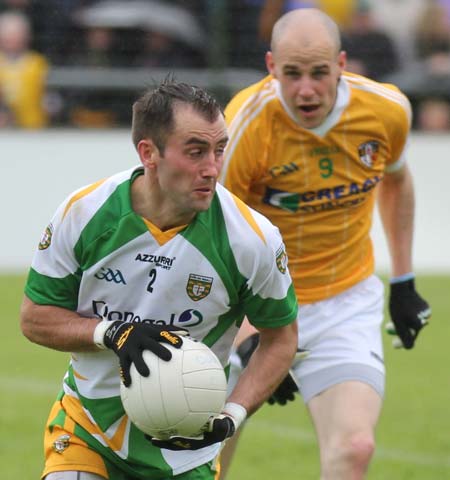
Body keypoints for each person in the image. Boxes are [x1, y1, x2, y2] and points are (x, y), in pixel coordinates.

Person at [20, 79, 299, 480]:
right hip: (88, 428)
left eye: (219, 149)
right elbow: (34, 318)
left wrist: (231, 417)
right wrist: (111, 333)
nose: (213, 168)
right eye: (196, 151)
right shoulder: (84, 214)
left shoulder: (252, 240)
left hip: (186, 453)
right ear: (148, 152)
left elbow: (281, 338)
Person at [219, 8, 431, 480]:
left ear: (341, 63)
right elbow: (218, 233)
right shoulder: (243, 126)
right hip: (252, 304)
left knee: (354, 447)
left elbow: (396, 182)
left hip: (341, 301)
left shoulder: (386, 110)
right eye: (292, 75)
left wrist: (404, 280)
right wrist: (253, 328)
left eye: (319, 73)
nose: (307, 89)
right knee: (207, 449)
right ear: (272, 67)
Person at [0, 10, 49, 128]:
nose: (12, 40)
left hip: (33, 129)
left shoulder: (38, 63)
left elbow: (50, 95)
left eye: (16, 35)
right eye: (8, 35)